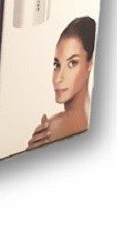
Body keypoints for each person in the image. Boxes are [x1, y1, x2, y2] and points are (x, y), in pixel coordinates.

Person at [27, 16, 96, 149]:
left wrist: (28, 154)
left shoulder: (54, 128)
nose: (58, 77)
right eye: (57, 65)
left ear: (89, 64)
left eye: (72, 63)